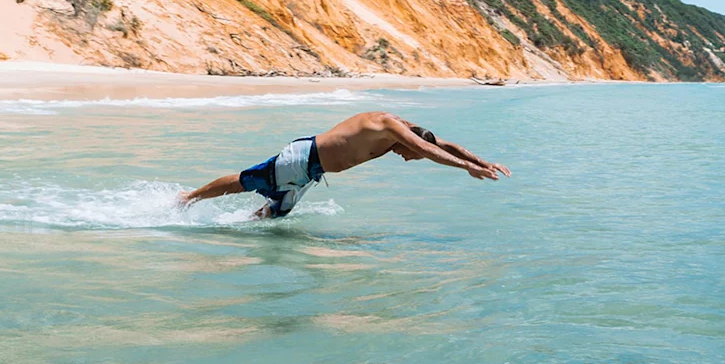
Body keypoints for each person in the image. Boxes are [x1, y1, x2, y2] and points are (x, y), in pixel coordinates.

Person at [179, 111, 511, 219]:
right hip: (304, 157)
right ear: (411, 142)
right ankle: (188, 198)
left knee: (271, 218)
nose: (409, 158)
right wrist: (466, 169)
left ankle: (229, 234)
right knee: (247, 181)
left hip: (312, 171)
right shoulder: (388, 126)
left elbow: (443, 145)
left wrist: (482, 161)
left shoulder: (406, 130)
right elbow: (427, 148)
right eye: (413, 154)